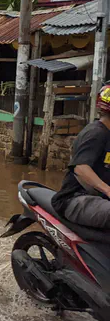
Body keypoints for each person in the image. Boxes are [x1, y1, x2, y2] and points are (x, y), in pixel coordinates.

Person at [52, 84, 110, 229]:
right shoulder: (96, 133)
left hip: (98, 199)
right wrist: (108, 190)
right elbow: (81, 168)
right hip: (75, 198)